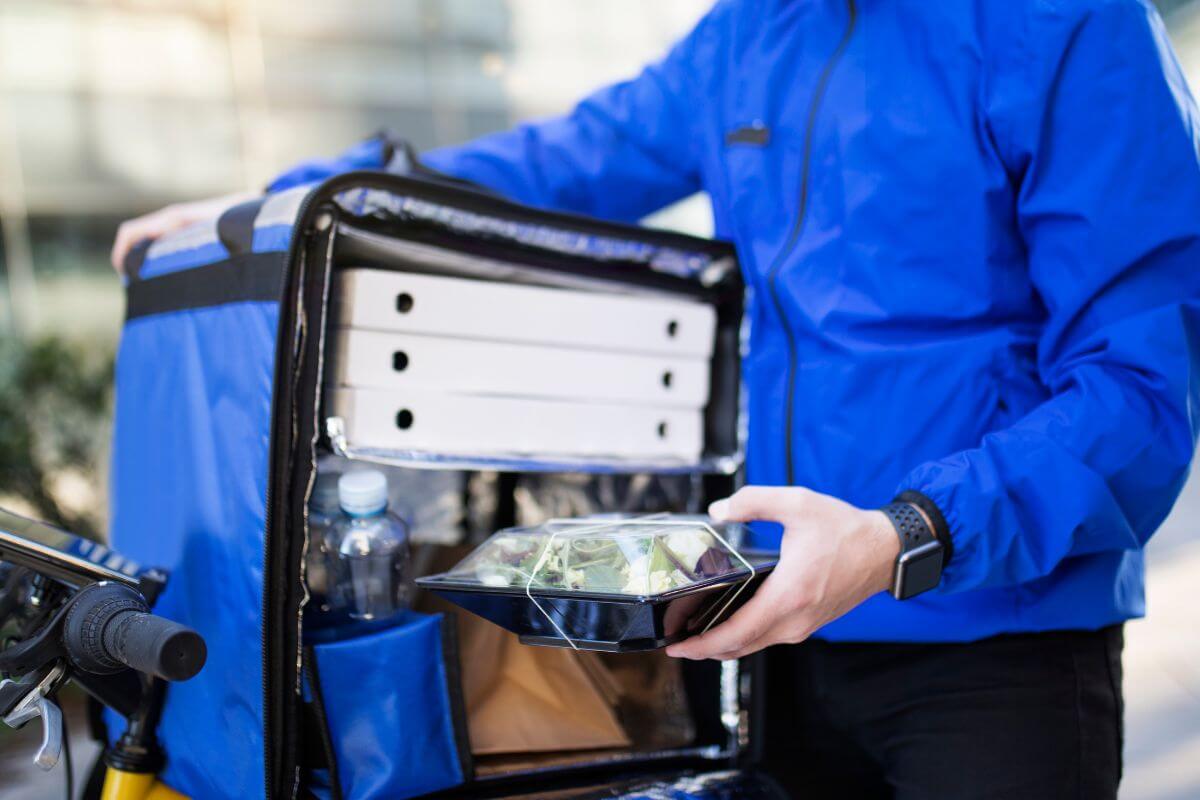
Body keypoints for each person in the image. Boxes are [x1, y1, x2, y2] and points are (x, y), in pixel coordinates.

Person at [111, 1, 1200, 797]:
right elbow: (555, 162)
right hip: (777, 647)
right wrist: (295, 195)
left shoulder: (1073, 25)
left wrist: (902, 534)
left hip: (995, 658)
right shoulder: (745, 35)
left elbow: (1138, 385)